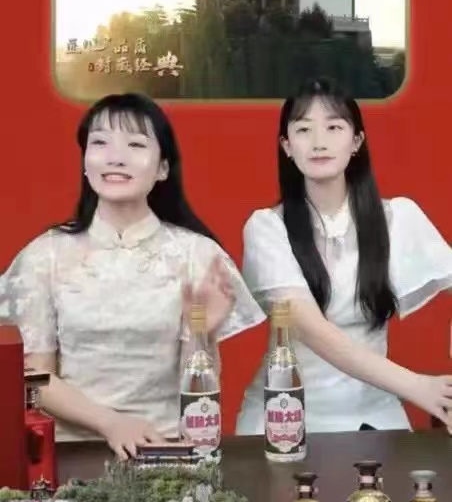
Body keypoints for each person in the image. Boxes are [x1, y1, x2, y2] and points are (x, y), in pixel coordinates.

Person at [0, 93, 265, 459]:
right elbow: (35, 378)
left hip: (166, 448)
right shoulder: (45, 255)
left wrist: (200, 332)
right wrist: (110, 423)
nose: (116, 157)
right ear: (85, 162)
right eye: (100, 143)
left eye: (136, 144)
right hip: (72, 453)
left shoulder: (197, 254)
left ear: (162, 168)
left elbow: (202, 392)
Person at [236, 78, 452, 435]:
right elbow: (311, 329)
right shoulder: (266, 228)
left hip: (374, 414)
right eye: (303, 130)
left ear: (356, 141)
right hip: (285, 414)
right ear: (287, 146)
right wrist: (416, 386)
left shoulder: (397, 217)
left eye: (334, 127)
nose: (319, 142)